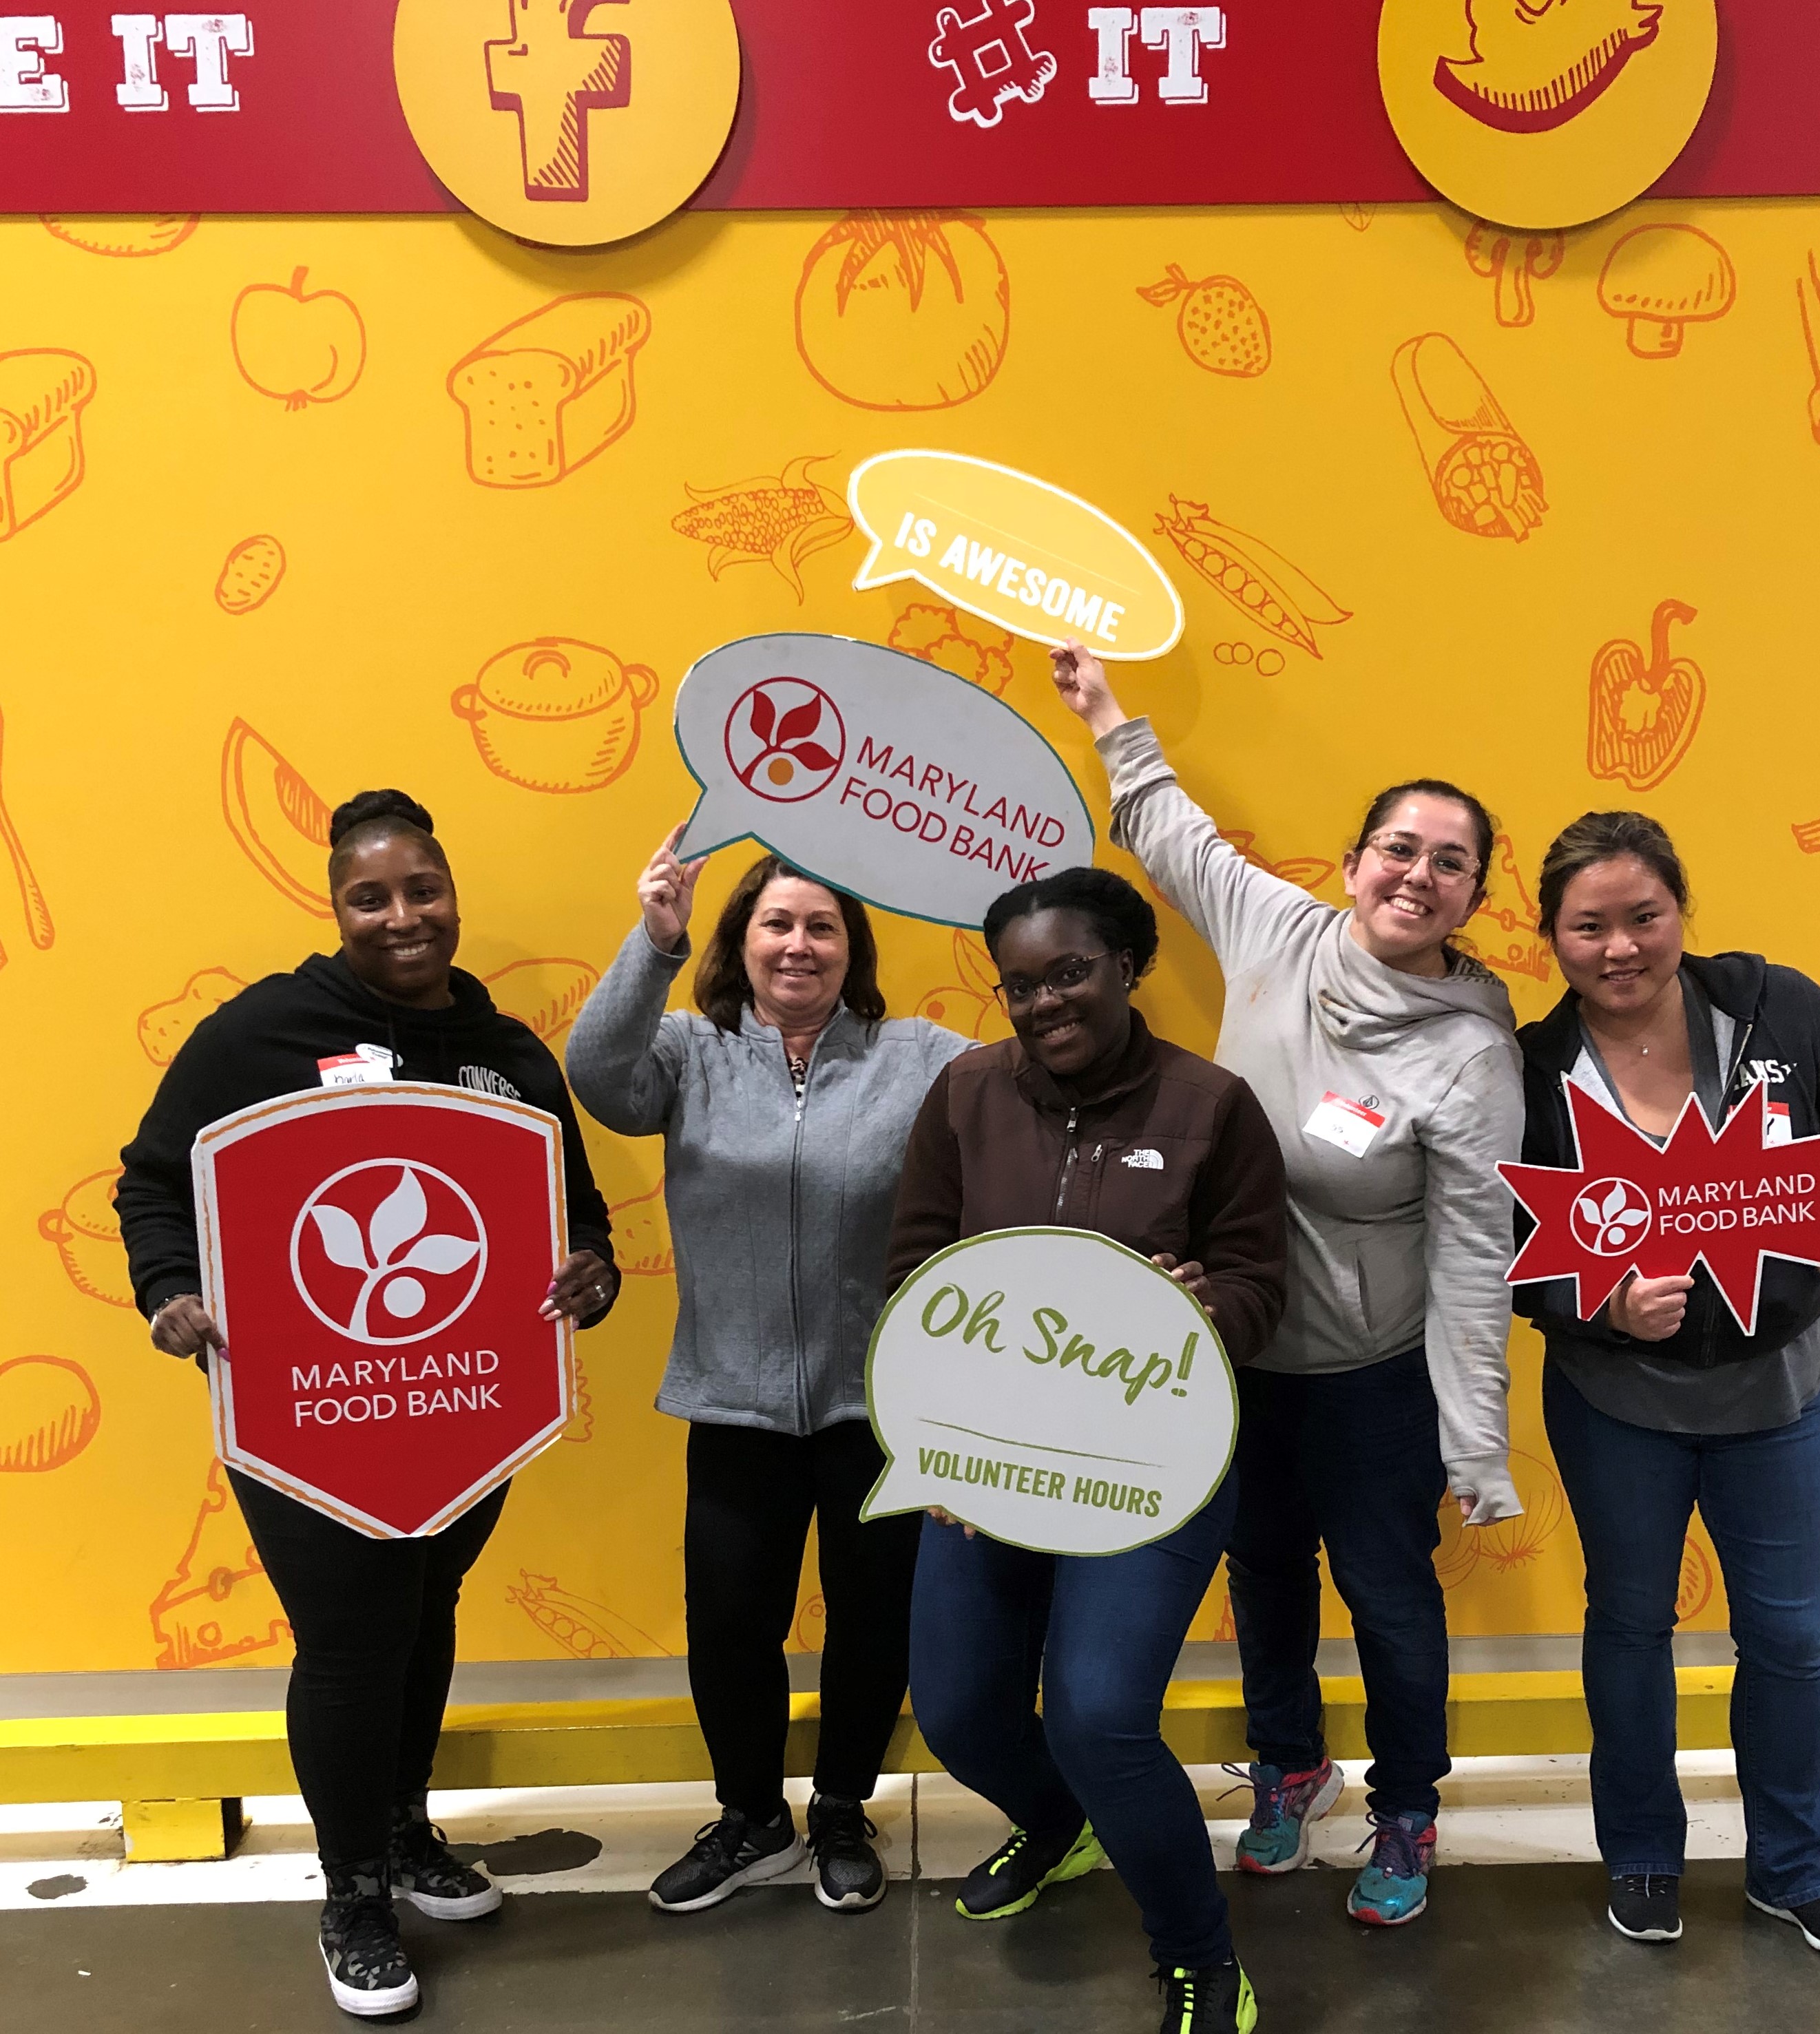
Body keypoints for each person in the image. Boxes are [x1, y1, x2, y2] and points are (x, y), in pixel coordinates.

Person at [116, 790, 618, 2020]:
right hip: (304, 1415)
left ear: (453, 893)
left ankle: (403, 1829)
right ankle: (350, 1893)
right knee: (348, 1643)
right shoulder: (263, 1032)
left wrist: (590, 1276)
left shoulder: (504, 1053)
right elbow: (150, 1182)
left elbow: (581, 1219)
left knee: (424, 1604)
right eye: (372, 895)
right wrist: (170, 1290)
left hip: (459, 1414)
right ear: (335, 903)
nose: (404, 916)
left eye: (423, 889)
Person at [1050, 644, 1524, 1929]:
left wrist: (1474, 1439)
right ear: (1355, 860)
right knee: (1259, 1573)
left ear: (1474, 894)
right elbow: (1177, 837)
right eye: (1397, 847)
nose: (1416, 874)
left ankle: (1410, 1806)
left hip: (1373, 1381)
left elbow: (1481, 1252)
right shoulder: (1280, 928)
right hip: (1235, 1356)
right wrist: (1107, 718)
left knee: (1386, 1594)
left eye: (1449, 861)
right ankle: (1287, 1763)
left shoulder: (1473, 1055)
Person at [891, 865, 1288, 2034]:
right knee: (958, 1710)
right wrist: (936, 1437)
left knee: (1098, 1714)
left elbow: (1263, 1284)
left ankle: (1201, 1958)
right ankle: (1059, 1822)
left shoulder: (1212, 1104)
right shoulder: (965, 1094)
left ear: (1128, 963)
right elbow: (914, 1268)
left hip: (1154, 1467)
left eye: (1068, 971)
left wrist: (1205, 1304)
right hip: (987, 1463)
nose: (1044, 1001)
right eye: (1020, 984)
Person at [1518, 810, 1820, 1960]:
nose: (1621, 946)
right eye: (1589, 926)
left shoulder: (1776, 1007)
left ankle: (1795, 1865)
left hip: (1777, 1395)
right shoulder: (1534, 1064)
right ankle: (1642, 1856)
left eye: (1646, 915)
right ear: (1553, 937)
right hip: (1613, 1402)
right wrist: (1599, 1303)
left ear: (1683, 909)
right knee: (1630, 1627)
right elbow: (1496, 1241)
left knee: (1789, 1641)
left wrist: (1779, 1260)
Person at [566, 832, 972, 1916]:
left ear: (854, 947)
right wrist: (654, 942)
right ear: (741, 943)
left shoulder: (920, 1056)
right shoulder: (689, 1054)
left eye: (822, 926)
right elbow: (596, 1074)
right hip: (732, 1402)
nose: (799, 945)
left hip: (877, 1409)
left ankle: (842, 1806)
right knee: (731, 1625)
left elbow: (1022, 1112)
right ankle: (751, 1815)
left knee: (870, 1623)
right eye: (777, 924)